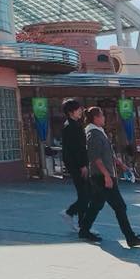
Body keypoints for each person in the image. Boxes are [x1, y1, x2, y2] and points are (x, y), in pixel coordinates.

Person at [77, 106, 140, 247]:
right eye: (102, 115)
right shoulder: (93, 134)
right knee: (120, 206)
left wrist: (122, 165)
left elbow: (108, 154)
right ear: (96, 118)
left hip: (102, 175)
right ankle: (130, 237)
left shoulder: (99, 132)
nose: (104, 118)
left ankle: (84, 230)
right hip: (101, 176)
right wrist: (107, 176)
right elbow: (95, 158)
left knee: (96, 204)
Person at [60, 99, 88, 231]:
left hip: (76, 164)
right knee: (85, 194)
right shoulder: (71, 127)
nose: (80, 111)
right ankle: (71, 213)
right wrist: (82, 165)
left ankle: (82, 223)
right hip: (77, 165)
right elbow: (77, 148)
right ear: (71, 112)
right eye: (78, 109)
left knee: (84, 194)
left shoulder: (74, 124)